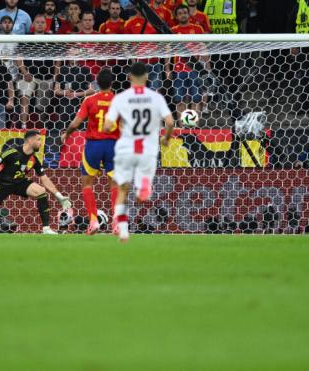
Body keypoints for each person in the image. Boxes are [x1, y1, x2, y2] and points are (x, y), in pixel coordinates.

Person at [103, 62, 174, 243]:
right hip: (147, 151)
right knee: (142, 190)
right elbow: (170, 122)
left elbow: (107, 126)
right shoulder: (156, 98)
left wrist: (113, 125)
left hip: (126, 148)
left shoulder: (120, 98)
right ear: (147, 77)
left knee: (121, 190)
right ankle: (143, 188)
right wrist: (166, 138)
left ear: (129, 77)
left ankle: (124, 231)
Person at [0, 130, 72, 234]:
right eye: (39, 140)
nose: (41, 143)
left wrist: (59, 196)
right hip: (1, 185)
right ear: (30, 140)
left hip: (20, 183)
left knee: (41, 191)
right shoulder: (12, 152)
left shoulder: (34, 159)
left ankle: (46, 228)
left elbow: (45, 179)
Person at [61, 69, 119, 235]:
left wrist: (67, 133)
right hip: (113, 145)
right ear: (112, 83)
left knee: (87, 184)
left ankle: (93, 221)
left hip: (93, 145)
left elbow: (76, 122)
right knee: (114, 184)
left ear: (96, 84)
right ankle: (116, 222)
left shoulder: (90, 100)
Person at [166, 5, 207, 115]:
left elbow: (203, 49)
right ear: (176, 16)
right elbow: (168, 50)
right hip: (178, 70)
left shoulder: (198, 29)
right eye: (180, 13)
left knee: (196, 100)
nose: (183, 15)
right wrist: (167, 69)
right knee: (179, 101)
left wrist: (207, 68)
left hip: (195, 70)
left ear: (189, 14)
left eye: (185, 12)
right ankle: (182, 129)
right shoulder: (172, 31)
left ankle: (193, 128)